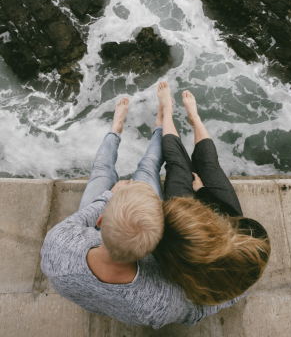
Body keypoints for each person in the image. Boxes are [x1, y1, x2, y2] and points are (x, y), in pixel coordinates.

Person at [41, 97, 244, 329]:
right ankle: (159, 125)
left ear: (100, 219)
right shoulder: (160, 300)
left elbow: (79, 220)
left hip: (97, 242)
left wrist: (109, 196)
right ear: (156, 247)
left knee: (101, 173)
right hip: (124, 243)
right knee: (147, 166)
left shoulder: (57, 244)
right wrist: (239, 289)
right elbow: (196, 310)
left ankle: (116, 128)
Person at [153, 81, 271, 306]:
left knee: (177, 165)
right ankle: (194, 118)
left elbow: (163, 250)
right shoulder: (253, 242)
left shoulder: (179, 255)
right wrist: (203, 192)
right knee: (209, 164)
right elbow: (229, 216)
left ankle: (167, 112)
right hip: (230, 218)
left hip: (191, 237)